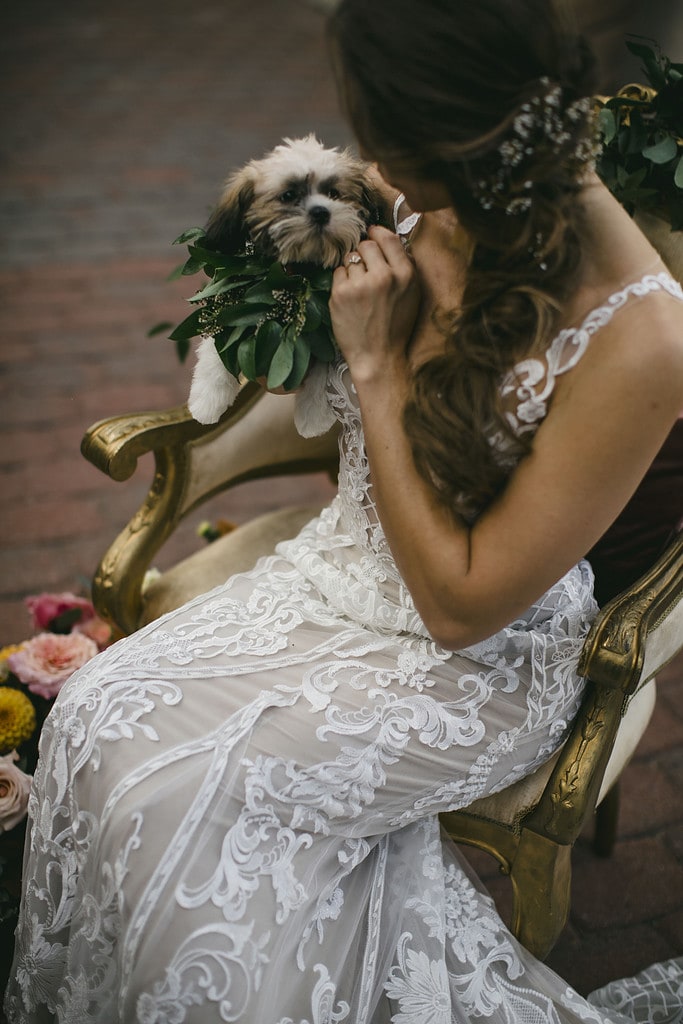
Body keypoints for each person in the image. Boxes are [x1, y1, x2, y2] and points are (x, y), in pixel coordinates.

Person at [5, 0, 683, 1020]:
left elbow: (462, 606)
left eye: (379, 140)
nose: (374, 173)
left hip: (472, 660)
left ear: (447, 134)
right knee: (98, 716)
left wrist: (372, 363)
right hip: (336, 571)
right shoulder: (419, 199)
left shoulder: (641, 337)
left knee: (199, 804)